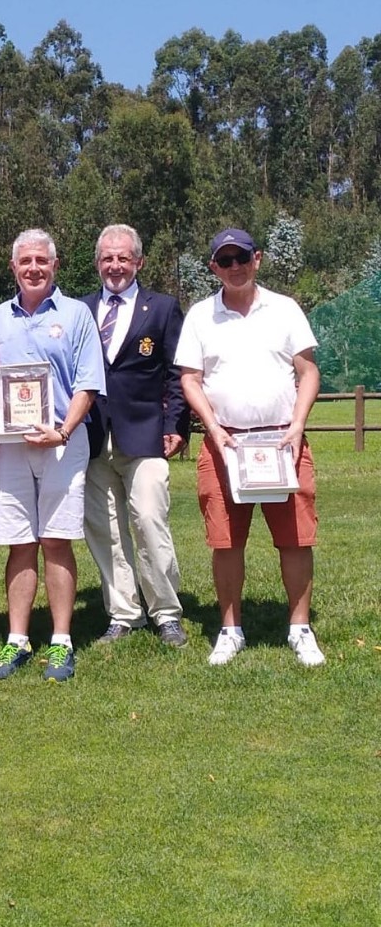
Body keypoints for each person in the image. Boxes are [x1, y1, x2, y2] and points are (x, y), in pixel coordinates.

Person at [176, 228, 324, 667]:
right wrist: (213, 427)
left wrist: (298, 424)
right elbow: (190, 378)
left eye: (242, 257)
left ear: (257, 258)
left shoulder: (285, 309)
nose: (235, 266)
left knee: (296, 539)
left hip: (282, 440)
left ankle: (300, 629)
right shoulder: (200, 316)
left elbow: (308, 371)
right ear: (213, 268)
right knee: (225, 541)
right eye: (225, 260)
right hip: (225, 445)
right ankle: (230, 629)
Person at [0, 229, 105, 682]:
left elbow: (88, 383)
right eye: (25, 261)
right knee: (19, 543)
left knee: (55, 539)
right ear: (13, 267)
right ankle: (17, 639)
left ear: (55, 266)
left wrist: (63, 430)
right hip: (11, 447)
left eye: (41, 260)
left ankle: (60, 641)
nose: (33, 268)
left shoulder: (75, 315)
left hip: (62, 442)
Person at [80, 224, 189, 647]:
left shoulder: (161, 308)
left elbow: (177, 374)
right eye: (107, 258)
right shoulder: (80, 310)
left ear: (138, 262)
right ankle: (123, 613)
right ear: (97, 263)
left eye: (123, 258)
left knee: (148, 518)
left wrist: (175, 426)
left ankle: (166, 611)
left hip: (146, 435)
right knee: (104, 527)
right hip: (90, 437)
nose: (115, 265)